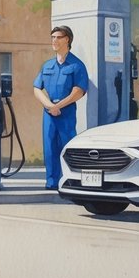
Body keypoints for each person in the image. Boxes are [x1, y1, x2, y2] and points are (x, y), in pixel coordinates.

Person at [33, 25, 90, 190]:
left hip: (66, 113)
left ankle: (70, 181)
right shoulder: (47, 65)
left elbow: (78, 91)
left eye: (58, 37)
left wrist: (59, 106)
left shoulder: (76, 65)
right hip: (49, 113)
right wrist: (50, 106)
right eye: (52, 37)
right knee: (49, 147)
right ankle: (51, 182)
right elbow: (37, 88)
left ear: (67, 40)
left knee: (67, 146)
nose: (54, 41)